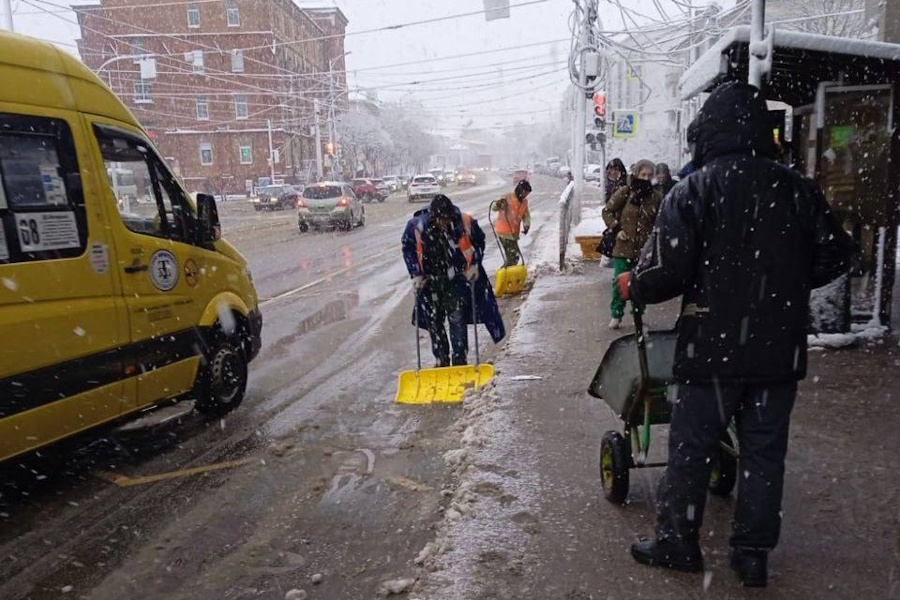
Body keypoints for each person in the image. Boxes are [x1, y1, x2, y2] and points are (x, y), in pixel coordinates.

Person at [616, 82, 854, 587]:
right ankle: (751, 555)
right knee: (765, 453)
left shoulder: (695, 190)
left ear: (709, 133)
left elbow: (667, 272)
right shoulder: (796, 188)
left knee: (692, 446)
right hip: (778, 349)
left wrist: (632, 284)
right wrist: (783, 285)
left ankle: (679, 543)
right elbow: (837, 254)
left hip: (711, 349)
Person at [402, 194, 505, 367]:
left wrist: (474, 264)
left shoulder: (465, 222)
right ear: (433, 216)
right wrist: (416, 273)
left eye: (446, 219)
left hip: (456, 280)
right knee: (434, 321)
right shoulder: (417, 227)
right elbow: (408, 247)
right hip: (430, 282)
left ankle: (459, 360)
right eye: (440, 219)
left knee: (457, 319)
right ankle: (441, 359)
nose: (444, 223)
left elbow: (479, 241)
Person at [601, 159, 662, 330]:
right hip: (624, 247)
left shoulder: (656, 197)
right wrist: (616, 228)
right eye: (643, 174)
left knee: (640, 284)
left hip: (644, 250)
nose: (646, 178)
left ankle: (638, 314)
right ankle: (616, 314)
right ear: (636, 174)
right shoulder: (626, 192)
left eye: (650, 175)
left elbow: (662, 219)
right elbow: (607, 211)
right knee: (619, 282)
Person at [492, 179, 532, 267]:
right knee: (513, 257)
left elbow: (526, 215)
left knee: (513, 257)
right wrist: (498, 204)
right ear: (520, 190)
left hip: (513, 233)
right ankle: (504, 276)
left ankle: (508, 275)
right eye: (524, 193)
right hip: (503, 232)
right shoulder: (507, 197)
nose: (525, 196)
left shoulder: (524, 202)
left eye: (527, 194)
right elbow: (494, 207)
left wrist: (526, 225)